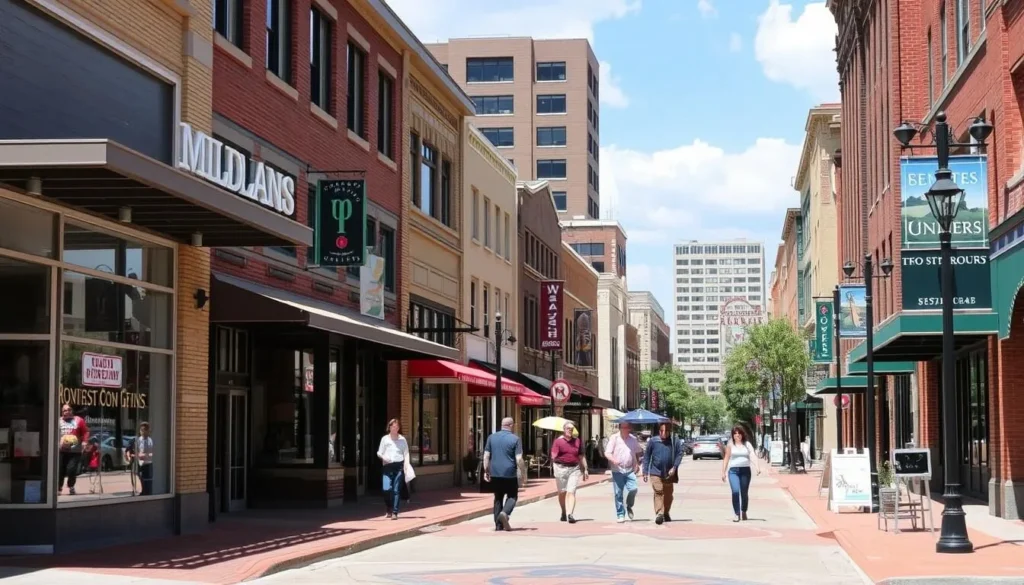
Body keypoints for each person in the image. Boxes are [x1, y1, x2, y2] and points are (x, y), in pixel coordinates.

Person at [483, 417, 524, 531]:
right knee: (512, 496)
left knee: (498, 497)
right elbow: (519, 458)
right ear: (511, 425)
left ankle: (498, 525)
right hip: (510, 473)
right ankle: (505, 513)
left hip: (495, 473)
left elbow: (486, 456)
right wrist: (523, 473)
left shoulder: (491, 437)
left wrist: (486, 470)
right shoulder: (515, 439)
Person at [642, 422, 682, 525]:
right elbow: (647, 456)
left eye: (665, 431)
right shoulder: (653, 441)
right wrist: (645, 471)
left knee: (668, 495)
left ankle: (666, 512)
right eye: (661, 431)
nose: (663, 433)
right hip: (655, 471)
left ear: (669, 432)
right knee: (658, 491)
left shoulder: (674, 441)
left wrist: (675, 467)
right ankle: (659, 513)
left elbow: (679, 454)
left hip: (669, 473)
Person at [551, 420, 588, 523]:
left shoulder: (577, 441)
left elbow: (581, 455)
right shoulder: (558, 441)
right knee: (562, 492)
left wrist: (585, 469)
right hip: (560, 468)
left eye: (572, 429)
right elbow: (553, 455)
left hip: (574, 469)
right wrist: (554, 455)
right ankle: (563, 511)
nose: (570, 431)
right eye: (568, 429)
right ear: (564, 430)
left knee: (571, 491)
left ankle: (570, 514)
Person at [604, 421, 642, 523]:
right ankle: (620, 514)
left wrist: (637, 463)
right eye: (623, 428)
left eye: (627, 428)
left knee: (633, 489)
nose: (625, 430)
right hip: (618, 470)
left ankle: (629, 505)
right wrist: (613, 460)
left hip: (629, 469)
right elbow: (607, 453)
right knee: (618, 493)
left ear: (629, 428)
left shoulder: (633, 439)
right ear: (620, 428)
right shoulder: (614, 438)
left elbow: (638, 451)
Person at [721, 424, 760, 522]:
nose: (737, 435)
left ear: (742, 434)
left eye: (739, 433)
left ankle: (744, 511)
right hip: (733, 471)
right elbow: (726, 458)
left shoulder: (747, 444)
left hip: (745, 471)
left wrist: (757, 467)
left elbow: (753, 455)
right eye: (735, 434)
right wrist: (723, 472)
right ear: (733, 435)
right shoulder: (730, 445)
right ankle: (737, 513)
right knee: (735, 491)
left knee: (744, 492)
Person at [377, 418, 411, 519]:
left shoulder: (402, 440)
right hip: (387, 466)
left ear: (399, 428)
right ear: (389, 427)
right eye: (392, 426)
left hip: (399, 466)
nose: (394, 428)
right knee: (386, 488)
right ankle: (389, 508)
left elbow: (406, 453)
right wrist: (384, 457)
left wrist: (406, 464)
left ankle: (395, 512)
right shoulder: (385, 439)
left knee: (396, 490)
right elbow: (379, 452)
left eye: (396, 427)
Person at [57, 404, 89, 496]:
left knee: (71, 469)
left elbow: (85, 432)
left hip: (75, 451)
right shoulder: (58, 421)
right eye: (64, 410)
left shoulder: (79, 420)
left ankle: (71, 486)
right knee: (60, 470)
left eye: (69, 410)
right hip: (61, 450)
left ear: (72, 411)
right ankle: (59, 488)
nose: (67, 412)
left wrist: (84, 442)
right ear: (62, 412)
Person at [128, 422, 155, 495]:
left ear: (147, 431)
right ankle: (143, 491)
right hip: (140, 463)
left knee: (147, 480)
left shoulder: (150, 440)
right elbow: (136, 450)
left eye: (143, 430)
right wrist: (135, 455)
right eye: (141, 430)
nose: (142, 432)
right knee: (141, 478)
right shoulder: (138, 440)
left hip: (147, 463)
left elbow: (151, 453)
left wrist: (144, 455)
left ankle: (147, 492)